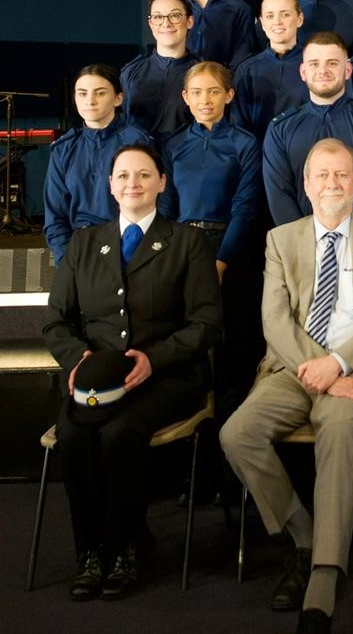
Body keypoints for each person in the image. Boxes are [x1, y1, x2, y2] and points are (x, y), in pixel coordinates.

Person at [220, 138, 353, 634]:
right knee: (236, 433)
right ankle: (305, 536)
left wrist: (342, 365)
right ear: (305, 185)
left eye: (342, 174)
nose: (332, 183)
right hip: (294, 369)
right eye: (322, 175)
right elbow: (274, 321)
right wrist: (319, 369)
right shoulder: (281, 239)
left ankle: (324, 575)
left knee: (339, 429)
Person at [42, 143, 223, 601]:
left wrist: (155, 358)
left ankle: (124, 548)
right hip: (99, 377)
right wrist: (78, 359)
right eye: (123, 176)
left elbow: (207, 323)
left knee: (119, 433)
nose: (133, 184)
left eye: (144, 175)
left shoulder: (188, 242)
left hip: (169, 374)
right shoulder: (83, 244)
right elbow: (55, 321)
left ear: (162, 183)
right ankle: (91, 553)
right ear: (109, 186)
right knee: (75, 435)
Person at [160, 60, 264, 419]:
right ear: (185, 97)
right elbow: (167, 206)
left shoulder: (245, 143)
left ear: (229, 95)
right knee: (187, 336)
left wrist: (221, 260)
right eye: (198, 92)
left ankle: (231, 421)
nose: (206, 99)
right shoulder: (173, 146)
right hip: (184, 247)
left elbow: (245, 205)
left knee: (234, 338)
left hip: (231, 248)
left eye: (214, 91)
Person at [263, 33, 353, 228]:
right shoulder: (280, 129)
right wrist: (305, 237)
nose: (322, 70)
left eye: (332, 63)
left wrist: (341, 234)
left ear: (348, 70)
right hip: (299, 242)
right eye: (314, 64)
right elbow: (279, 196)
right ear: (303, 72)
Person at [44, 64, 153, 265]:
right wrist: (66, 263)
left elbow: (151, 205)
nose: (90, 101)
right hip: (79, 250)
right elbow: (55, 218)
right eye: (82, 94)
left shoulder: (136, 142)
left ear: (118, 98)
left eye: (100, 93)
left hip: (129, 246)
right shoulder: (63, 149)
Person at [120, 0, 199, 143]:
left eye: (175, 15)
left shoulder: (202, 73)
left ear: (190, 21)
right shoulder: (130, 73)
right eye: (157, 17)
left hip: (186, 162)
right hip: (140, 161)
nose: (166, 23)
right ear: (150, 23)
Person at [233, 0, 308, 138]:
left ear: (299, 19)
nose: (277, 22)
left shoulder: (314, 65)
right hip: (259, 154)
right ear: (262, 23)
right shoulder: (247, 70)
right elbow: (239, 126)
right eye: (270, 16)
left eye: (285, 14)